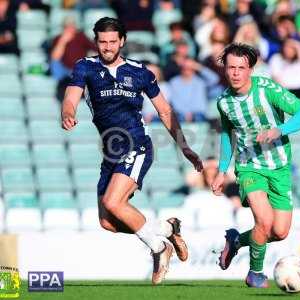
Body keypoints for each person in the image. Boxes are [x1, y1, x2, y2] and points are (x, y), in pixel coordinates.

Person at [61, 17, 203, 285]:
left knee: (113, 202)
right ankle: (167, 229)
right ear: (96, 42)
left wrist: (185, 147)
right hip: (110, 151)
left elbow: (164, 110)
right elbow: (71, 97)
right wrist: (67, 113)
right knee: (108, 222)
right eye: (102, 42)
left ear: (122, 42)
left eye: (113, 41)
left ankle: (160, 248)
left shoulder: (140, 72)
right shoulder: (85, 67)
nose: (107, 47)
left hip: (136, 144)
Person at [211, 43, 300, 288]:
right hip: (249, 166)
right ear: (225, 69)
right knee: (264, 221)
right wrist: (222, 169)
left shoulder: (268, 90)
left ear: (250, 70)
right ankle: (254, 273)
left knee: (278, 232)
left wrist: (279, 130)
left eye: (241, 68)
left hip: (279, 167)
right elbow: (228, 135)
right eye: (231, 67)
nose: (235, 73)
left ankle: (236, 242)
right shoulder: (224, 102)